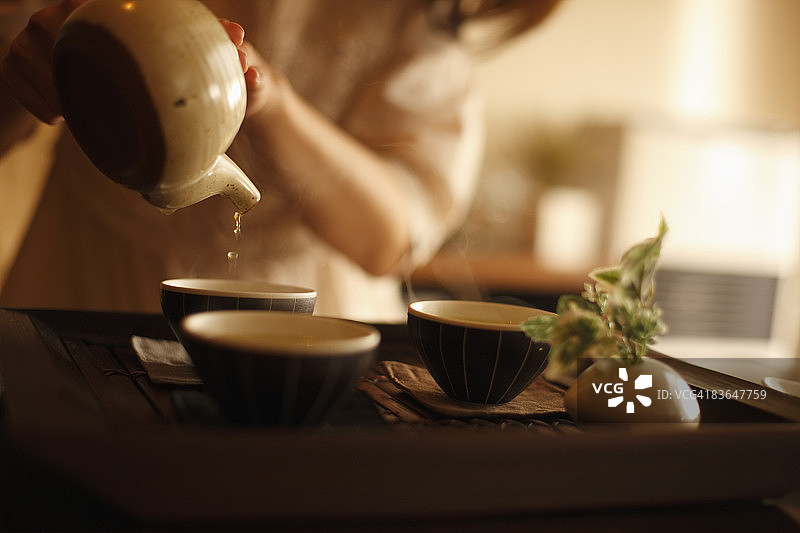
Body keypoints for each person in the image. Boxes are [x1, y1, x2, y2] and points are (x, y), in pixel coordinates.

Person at [0, 0, 559, 322]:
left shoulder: (418, 15)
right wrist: (24, 72)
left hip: (313, 312)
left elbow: (385, 238)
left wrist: (270, 102)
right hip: (86, 278)